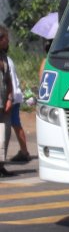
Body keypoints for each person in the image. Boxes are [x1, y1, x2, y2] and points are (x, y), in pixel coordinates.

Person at [7, 54, 30, 162]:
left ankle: (24, 152)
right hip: (14, 96)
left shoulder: (5, 60)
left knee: (13, 124)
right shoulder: (8, 59)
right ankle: (24, 151)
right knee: (15, 123)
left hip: (10, 97)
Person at [0, 24, 15, 177]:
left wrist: (10, 97)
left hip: (4, 104)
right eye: (6, 38)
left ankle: (1, 165)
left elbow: (8, 80)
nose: (8, 41)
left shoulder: (4, 57)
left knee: (4, 135)